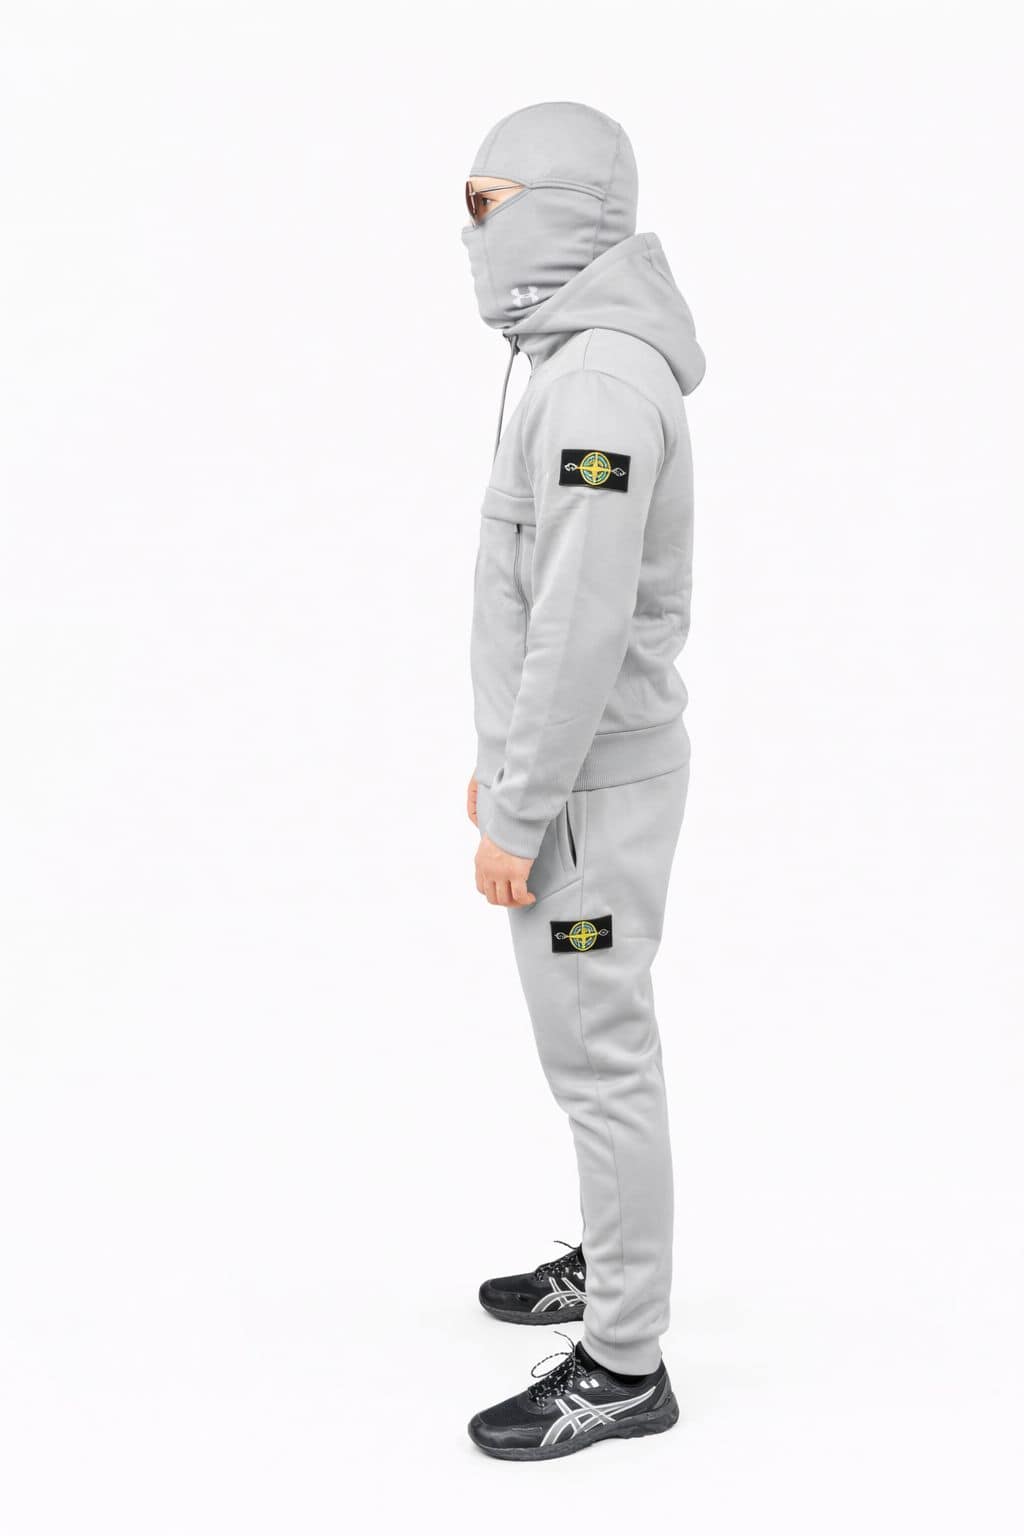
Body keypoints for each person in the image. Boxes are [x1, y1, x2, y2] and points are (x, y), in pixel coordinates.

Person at [460, 101, 705, 1461]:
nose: (471, 234)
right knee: (587, 1049)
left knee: (601, 1059)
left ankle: (622, 1362)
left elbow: (581, 622)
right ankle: (612, 1266)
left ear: (566, 211)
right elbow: (534, 597)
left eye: (489, 204)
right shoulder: (566, 361)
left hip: (585, 804)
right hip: (569, 782)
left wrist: (521, 805)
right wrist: (499, 760)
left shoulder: (597, 383)